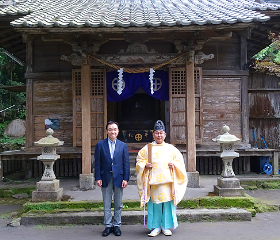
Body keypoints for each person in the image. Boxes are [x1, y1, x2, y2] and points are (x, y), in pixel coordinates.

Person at [136, 120, 188, 237]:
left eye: (161, 133)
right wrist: (144, 165)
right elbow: (139, 161)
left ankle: (165, 226)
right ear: (153, 134)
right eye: (157, 133)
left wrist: (173, 164)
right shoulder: (147, 148)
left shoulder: (171, 149)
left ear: (165, 135)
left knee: (167, 205)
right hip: (153, 183)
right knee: (155, 205)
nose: (159, 135)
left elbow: (179, 161)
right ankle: (155, 227)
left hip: (167, 183)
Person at [95, 121, 130, 237]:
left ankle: (117, 225)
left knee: (118, 203)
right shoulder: (100, 145)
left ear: (118, 131)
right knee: (106, 203)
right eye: (110, 129)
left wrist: (126, 178)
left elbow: (126, 163)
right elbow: (97, 163)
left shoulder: (122, 145)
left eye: (115, 129)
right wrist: (97, 177)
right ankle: (108, 225)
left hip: (119, 177)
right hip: (105, 176)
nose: (112, 131)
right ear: (106, 131)